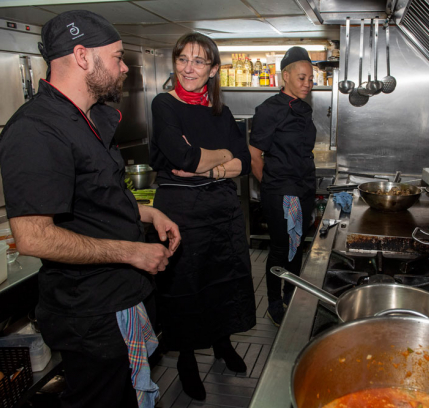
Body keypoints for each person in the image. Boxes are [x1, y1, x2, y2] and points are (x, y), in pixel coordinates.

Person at [0, 10, 181, 408]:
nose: (124, 68)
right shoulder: (35, 129)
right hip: (92, 314)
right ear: (83, 56)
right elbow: (32, 237)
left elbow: (99, 197)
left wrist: (145, 214)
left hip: (123, 296)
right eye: (117, 57)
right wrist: (132, 251)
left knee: (131, 393)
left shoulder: (90, 118)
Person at [149, 32, 255, 401]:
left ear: (213, 70)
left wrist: (212, 166)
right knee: (186, 287)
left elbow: (244, 162)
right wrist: (222, 155)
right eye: (183, 59)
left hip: (222, 212)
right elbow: (184, 158)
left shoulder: (220, 112)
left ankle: (222, 344)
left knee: (224, 280)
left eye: (198, 62)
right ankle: (187, 361)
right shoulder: (164, 104)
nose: (189, 68)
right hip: (181, 213)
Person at [249, 47, 316, 327]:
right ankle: (274, 303)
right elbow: (254, 155)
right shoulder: (269, 110)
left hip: (304, 189)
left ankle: (291, 294)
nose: (307, 84)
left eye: (311, 79)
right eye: (302, 78)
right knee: (281, 247)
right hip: (283, 193)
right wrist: (273, 188)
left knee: (297, 246)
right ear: (285, 75)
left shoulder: (304, 108)